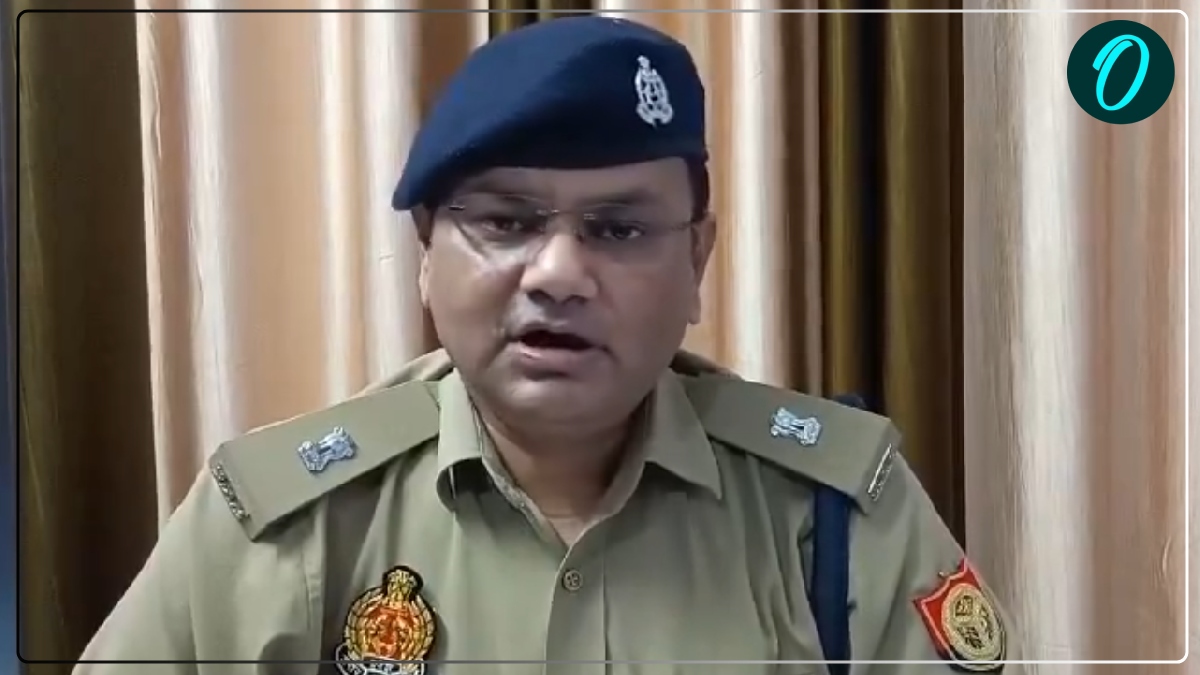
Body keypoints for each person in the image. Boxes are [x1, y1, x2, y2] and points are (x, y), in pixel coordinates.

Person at [74, 15, 1017, 675]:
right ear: (426, 256)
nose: (559, 273)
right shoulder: (281, 524)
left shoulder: (838, 512)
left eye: (618, 229)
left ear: (697, 259)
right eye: (506, 221)